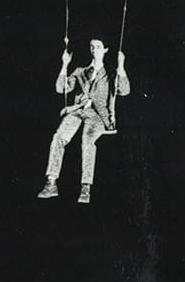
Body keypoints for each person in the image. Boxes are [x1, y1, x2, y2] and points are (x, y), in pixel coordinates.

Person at [37, 39, 130, 205]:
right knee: (58, 137)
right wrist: (64, 65)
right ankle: (51, 183)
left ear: (105, 50)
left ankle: (85, 187)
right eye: (92, 47)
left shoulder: (110, 72)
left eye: (98, 47)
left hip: (97, 115)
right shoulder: (81, 71)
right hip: (78, 110)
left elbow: (124, 90)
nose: (94, 50)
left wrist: (121, 65)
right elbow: (61, 88)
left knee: (87, 142)